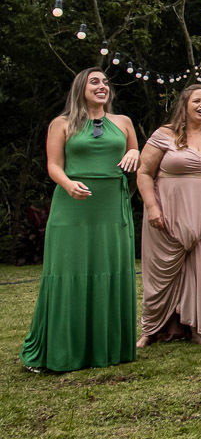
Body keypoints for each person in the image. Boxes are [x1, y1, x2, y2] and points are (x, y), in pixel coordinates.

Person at [19, 68, 140, 372]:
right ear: (80, 89)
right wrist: (68, 184)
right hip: (73, 206)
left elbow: (134, 150)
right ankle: (62, 349)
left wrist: (135, 153)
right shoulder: (61, 124)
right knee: (69, 270)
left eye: (105, 82)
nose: (102, 86)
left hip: (112, 205)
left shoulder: (123, 122)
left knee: (109, 268)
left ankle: (107, 347)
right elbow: (53, 165)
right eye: (94, 82)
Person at [137, 84, 201, 347]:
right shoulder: (164, 134)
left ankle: (200, 328)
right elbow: (144, 172)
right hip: (169, 209)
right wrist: (152, 207)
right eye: (197, 101)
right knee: (164, 270)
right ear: (184, 105)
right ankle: (152, 328)